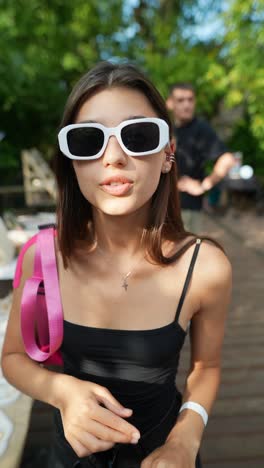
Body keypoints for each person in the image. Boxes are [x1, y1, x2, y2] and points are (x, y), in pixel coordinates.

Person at [1, 62, 232, 468]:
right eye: (88, 140)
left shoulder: (206, 267)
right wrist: (62, 392)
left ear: (167, 155)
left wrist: (185, 440)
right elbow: (13, 358)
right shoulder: (44, 256)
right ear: (72, 163)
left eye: (139, 136)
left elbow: (206, 366)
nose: (114, 156)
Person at [166, 83, 235, 233]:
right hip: (163, 207)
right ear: (170, 103)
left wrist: (204, 185)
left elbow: (227, 158)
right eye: (181, 100)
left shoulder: (201, 128)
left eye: (190, 100)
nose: (187, 105)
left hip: (188, 208)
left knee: (186, 253)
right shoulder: (167, 128)